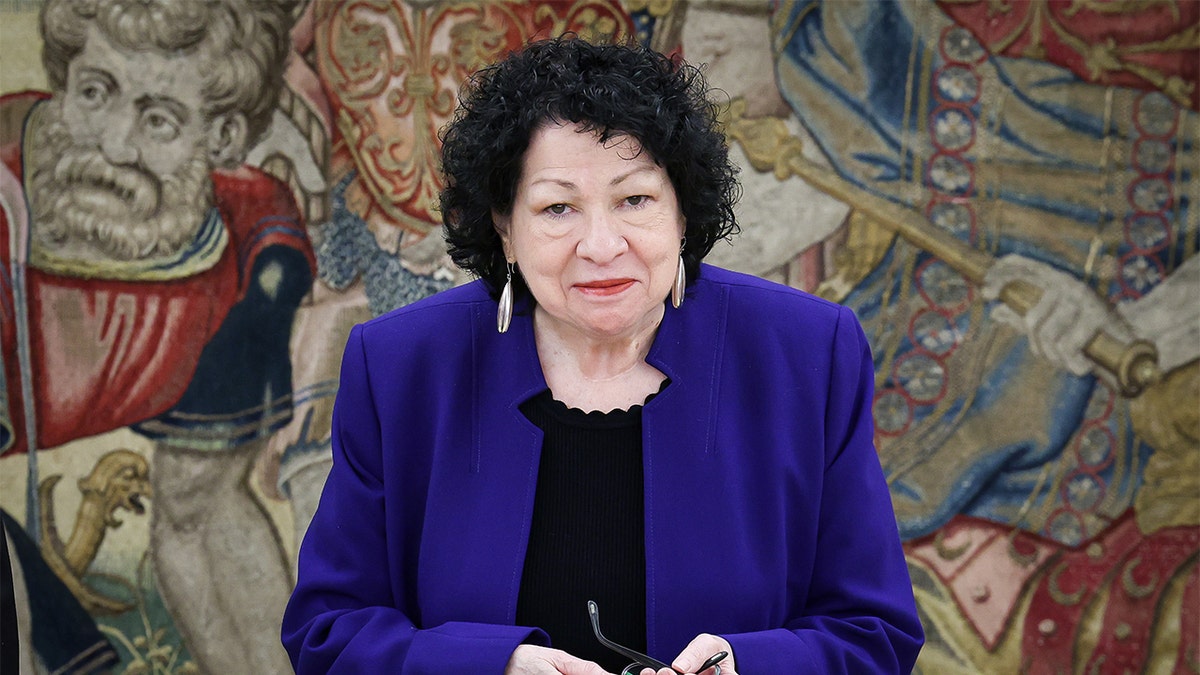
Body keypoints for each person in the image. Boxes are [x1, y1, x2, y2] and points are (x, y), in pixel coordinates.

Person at [282, 37, 923, 674]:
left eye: (634, 200)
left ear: (682, 210)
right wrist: (492, 668)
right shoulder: (402, 367)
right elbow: (328, 632)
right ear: (505, 226)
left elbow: (874, 635)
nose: (601, 244)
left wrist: (746, 667)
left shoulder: (808, 356)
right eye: (558, 207)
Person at [0, 0, 312, 671]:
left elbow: (200, 517)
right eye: (92, 93)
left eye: (158, 119)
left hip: (191, 346)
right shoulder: (7, 220)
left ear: (222, 137)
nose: (111, 143)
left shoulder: (247, 251)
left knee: (199, 510)